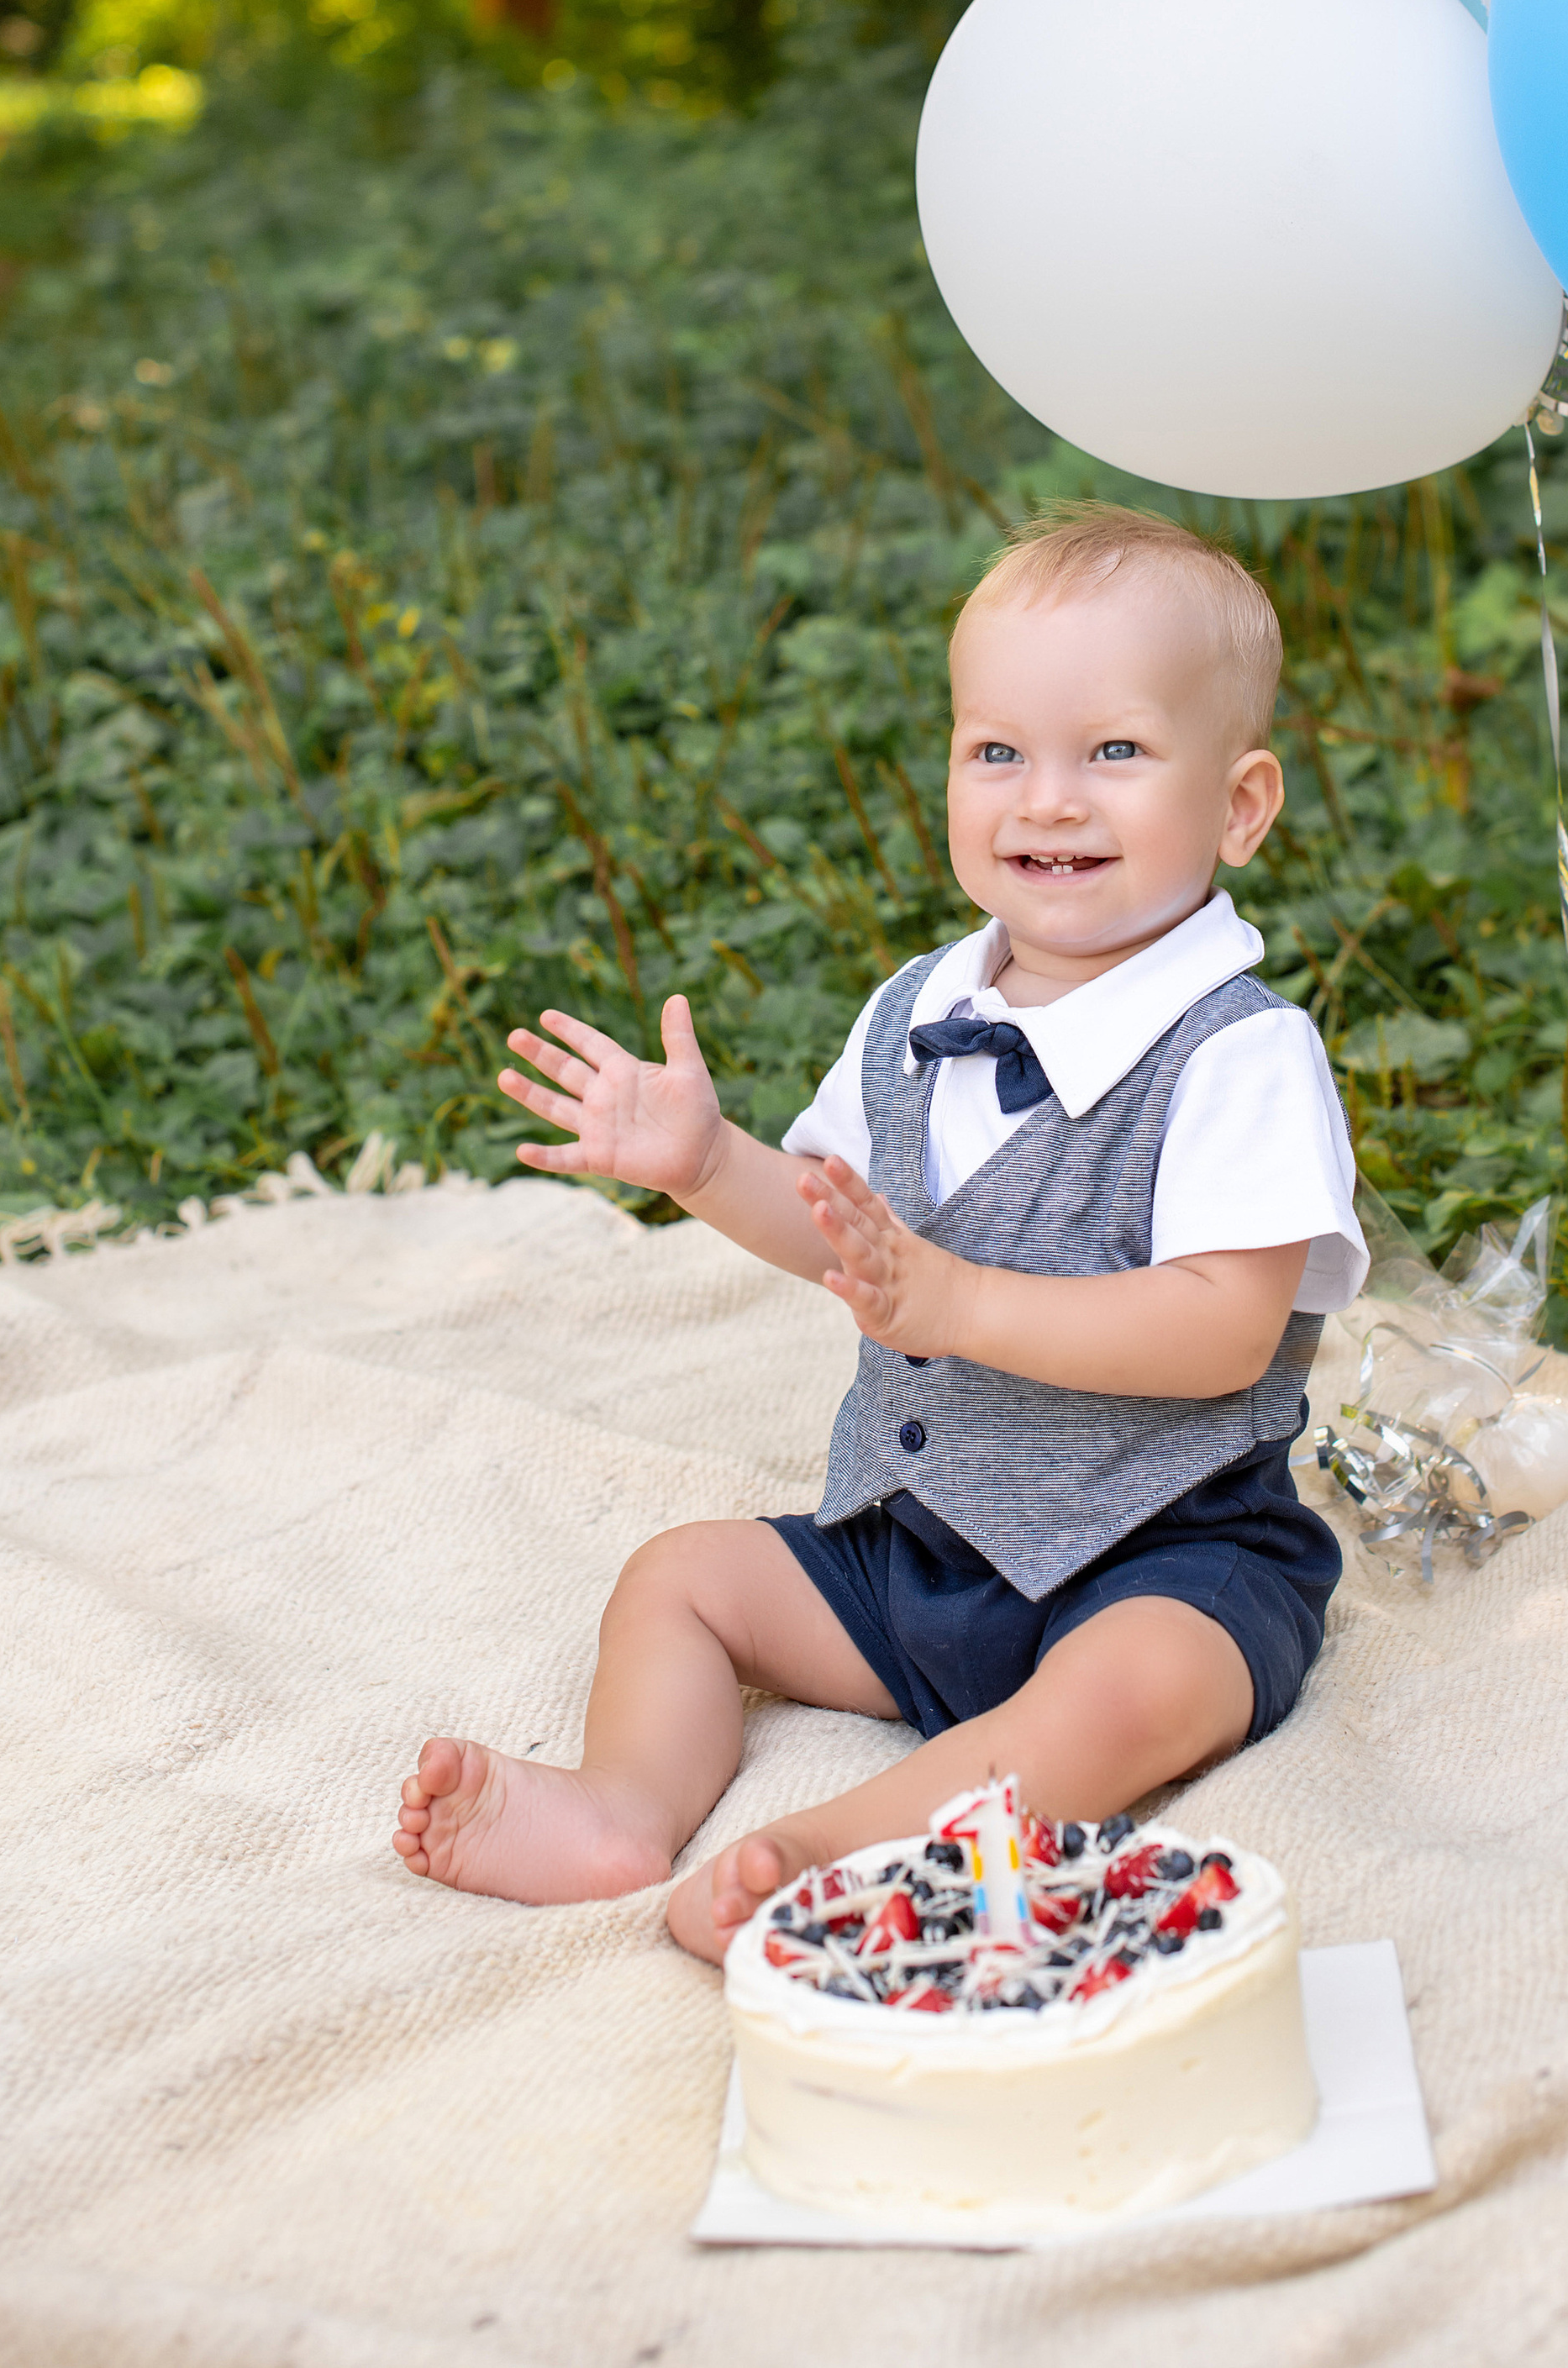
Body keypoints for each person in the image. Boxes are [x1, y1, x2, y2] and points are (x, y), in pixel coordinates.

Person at [393, 501, 1365, 1960]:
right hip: (917, 1550)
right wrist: (710, 1160)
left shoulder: (1237, 1051)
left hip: (1162, 1552)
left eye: (1114, 751)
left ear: (1239, 806)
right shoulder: (920, 1010)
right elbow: (844, 1238)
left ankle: (830, 1852)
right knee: (682, 1576)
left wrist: (962, 1302)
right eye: (998, 752)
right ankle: (619, 1808)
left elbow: (1225, 1326)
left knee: (1126, 1697)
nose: (1048, 798)